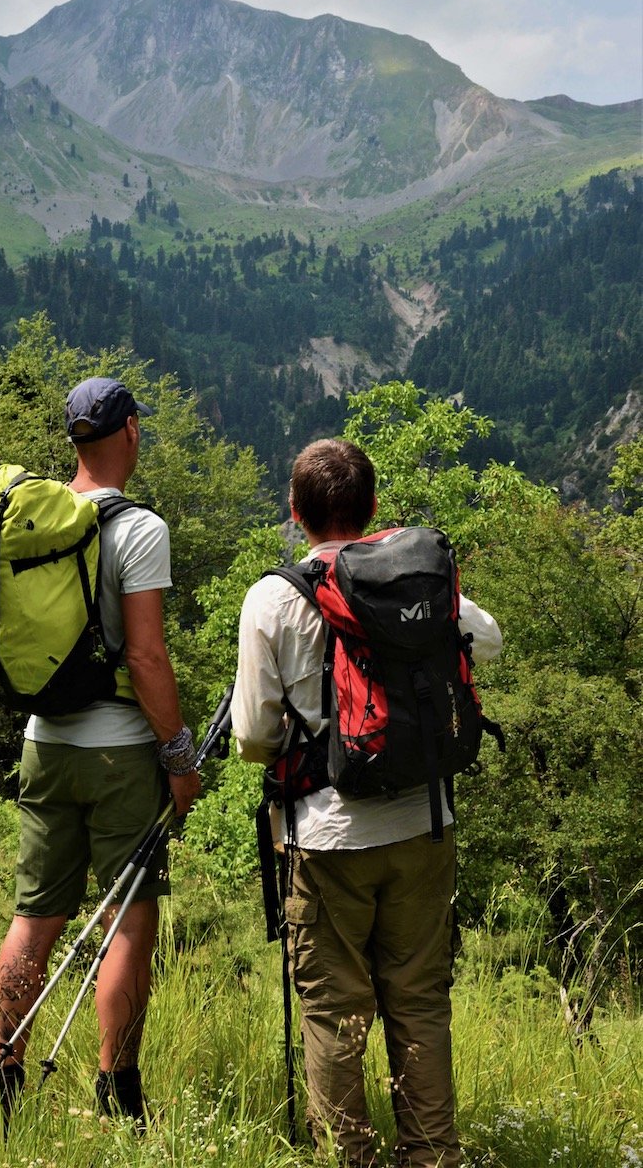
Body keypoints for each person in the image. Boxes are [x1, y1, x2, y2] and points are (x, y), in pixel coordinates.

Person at [232, 439, 502, 1168]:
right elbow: (492, 639)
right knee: (419, 1004)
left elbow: (254, 736)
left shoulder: (273, 597)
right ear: (373, 508)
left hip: (324, 838)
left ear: (295, 514)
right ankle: (432, 1156)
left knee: (333, 1012)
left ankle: (349, 1159)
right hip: (422, 824)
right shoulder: (415, 579)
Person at [0, 377, 201, 1141]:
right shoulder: (140, 529)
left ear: (73, 439)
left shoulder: (41, 521)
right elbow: (144, 655)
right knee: (129, 920)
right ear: (132, 431)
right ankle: (118, 1089)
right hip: (118, 755)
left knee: (33, 917)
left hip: (43, 743)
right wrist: (178, 756)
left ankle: (0, 1080)